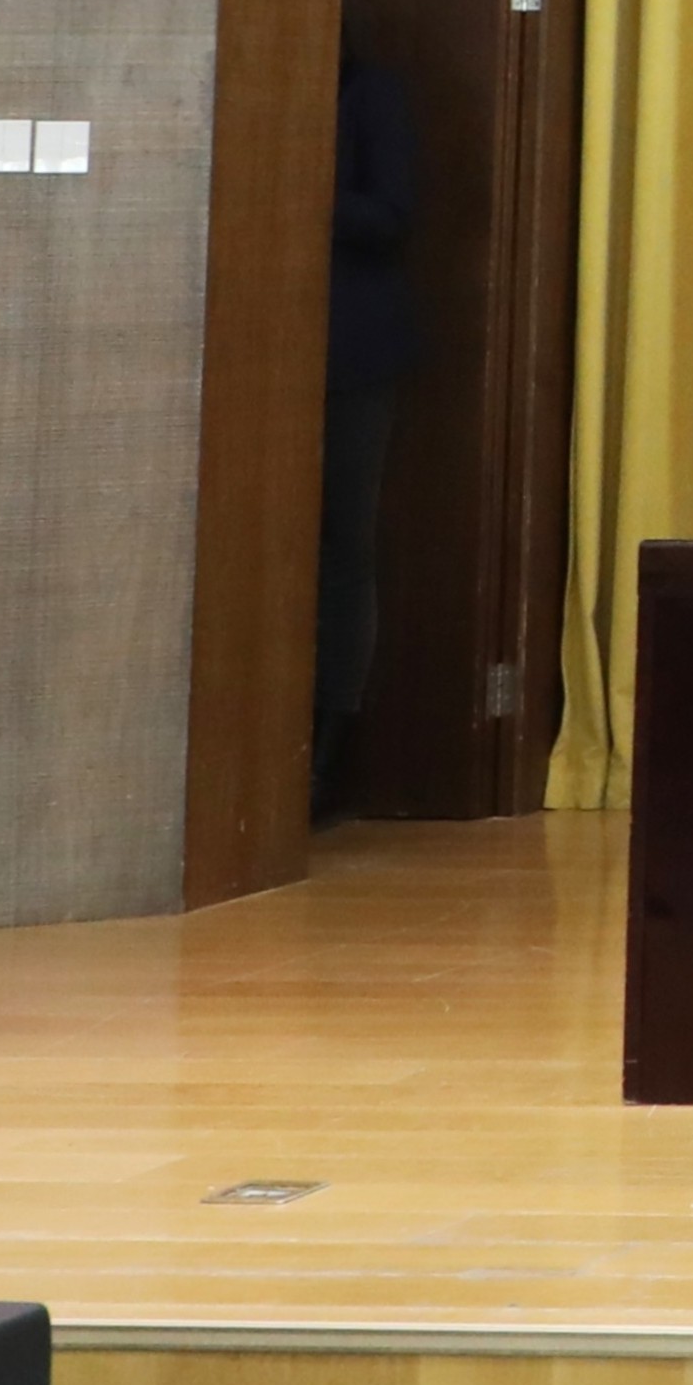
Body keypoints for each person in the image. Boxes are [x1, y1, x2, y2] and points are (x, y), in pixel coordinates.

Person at [315, 51, 421, 815]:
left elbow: (393, 213)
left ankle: (327, 751)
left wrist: (301, 184)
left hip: (353, 350)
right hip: (259, 350)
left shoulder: (371, 89)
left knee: (342, 547)